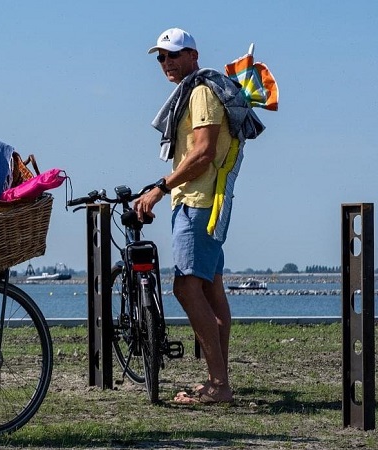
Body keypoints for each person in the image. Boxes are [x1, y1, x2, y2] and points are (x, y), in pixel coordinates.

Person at [134, 28, 263, 405]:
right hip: (205, 201)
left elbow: (204, 151)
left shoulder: (202, 92)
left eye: (173, 55)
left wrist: (160, 187)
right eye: (160, 57)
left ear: (193, 55)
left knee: (186, 287)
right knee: (211, 289)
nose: (166, 63)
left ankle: (218, 385)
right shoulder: (198, 89)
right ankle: (218, 380)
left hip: (198, 202)